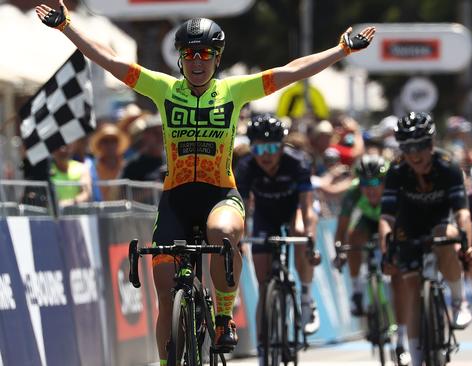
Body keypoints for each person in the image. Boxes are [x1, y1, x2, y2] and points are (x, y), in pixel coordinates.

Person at [35, 2, 375, 363]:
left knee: (223, 233)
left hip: (220, 194)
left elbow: (291, 71)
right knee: (166, 297)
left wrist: (341, 50)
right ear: (181, 59)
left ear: (217, 59)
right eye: (190, 54)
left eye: (206, 54)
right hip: (176, 200)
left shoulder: (234, 91)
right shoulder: (163, 88)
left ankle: (224, 317)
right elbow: (111, 62)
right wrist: (67, 26)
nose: (198, 61)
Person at [379, 111, 472, 366]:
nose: (415, 154)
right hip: (408, 228)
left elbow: (462, 212)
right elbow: (386, 218)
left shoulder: (448, 166)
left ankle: (458, 300)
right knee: (411, 287)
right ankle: (415, 354)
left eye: (421, 145)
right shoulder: (397, 171)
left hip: (440, 225)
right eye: (408, 147)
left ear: (432, 143)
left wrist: (465, 244)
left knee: (445, 236)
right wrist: (386, 251)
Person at [235, 114, 321, 361]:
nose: (266, 155)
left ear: (283, 147)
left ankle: (306, 297)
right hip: (265, 214)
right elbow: (240, 208)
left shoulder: (297, 162)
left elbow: (307, 207)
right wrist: (238, 239)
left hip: (293, 210)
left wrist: (310, 239)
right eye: (259, 148)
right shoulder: (246, 167)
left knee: (300, 230)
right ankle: (263, 350)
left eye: (273, 147)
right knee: (264, 286)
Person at [332, 154, 390, 316]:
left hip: (390, 221)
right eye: (364, 183)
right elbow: (341, 227)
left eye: (375, 182)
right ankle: (357, 290)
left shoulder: (393, 188)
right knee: (353, 236)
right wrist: (340, 251)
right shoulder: (353, 191)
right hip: (368, 221)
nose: (370, 189)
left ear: (384, 181)